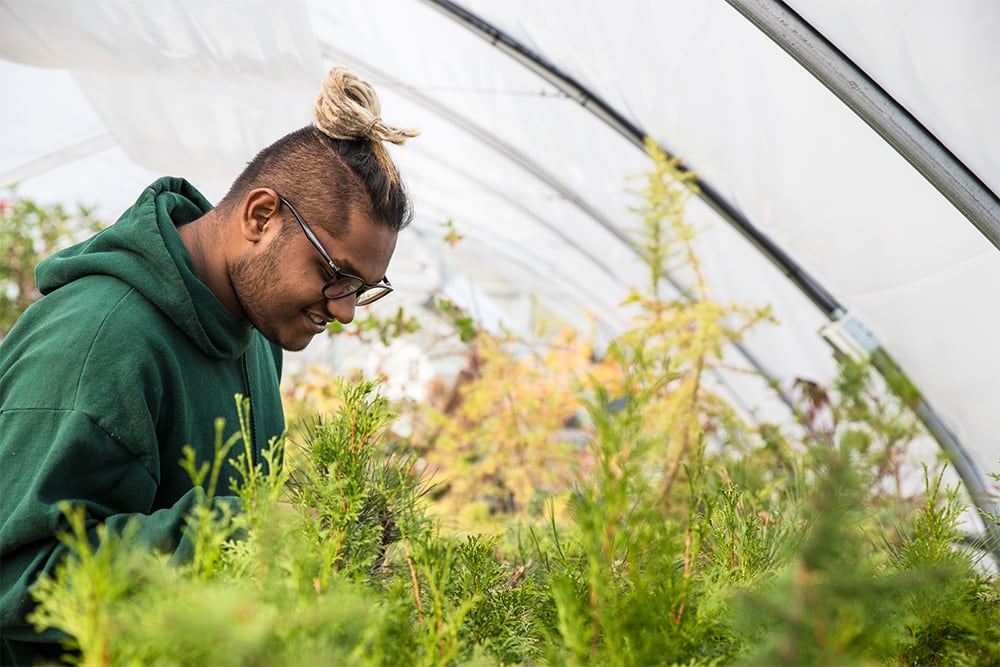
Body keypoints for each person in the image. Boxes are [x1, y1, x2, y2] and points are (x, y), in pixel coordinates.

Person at [0, 66, 418, 664]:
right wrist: (256, 533)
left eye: (365, 289)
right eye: (336, 275)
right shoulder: (100, 339)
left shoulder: (256, 335)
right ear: (260, 216)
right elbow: (18, 574)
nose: (347, 311)